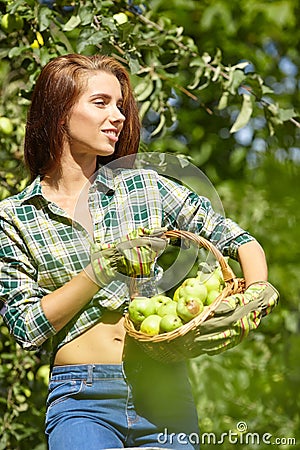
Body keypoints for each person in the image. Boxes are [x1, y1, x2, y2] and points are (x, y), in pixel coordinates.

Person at [0, 53, 277, 450]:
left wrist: (257, 292)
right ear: (59, 110)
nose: (118, 116)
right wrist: (101, 269)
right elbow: (27, 327)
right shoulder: (14, 218)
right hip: (82, 398)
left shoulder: (145, 187)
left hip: (164, 394)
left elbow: (237, 239)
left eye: (120, 105)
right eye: (101, 103)